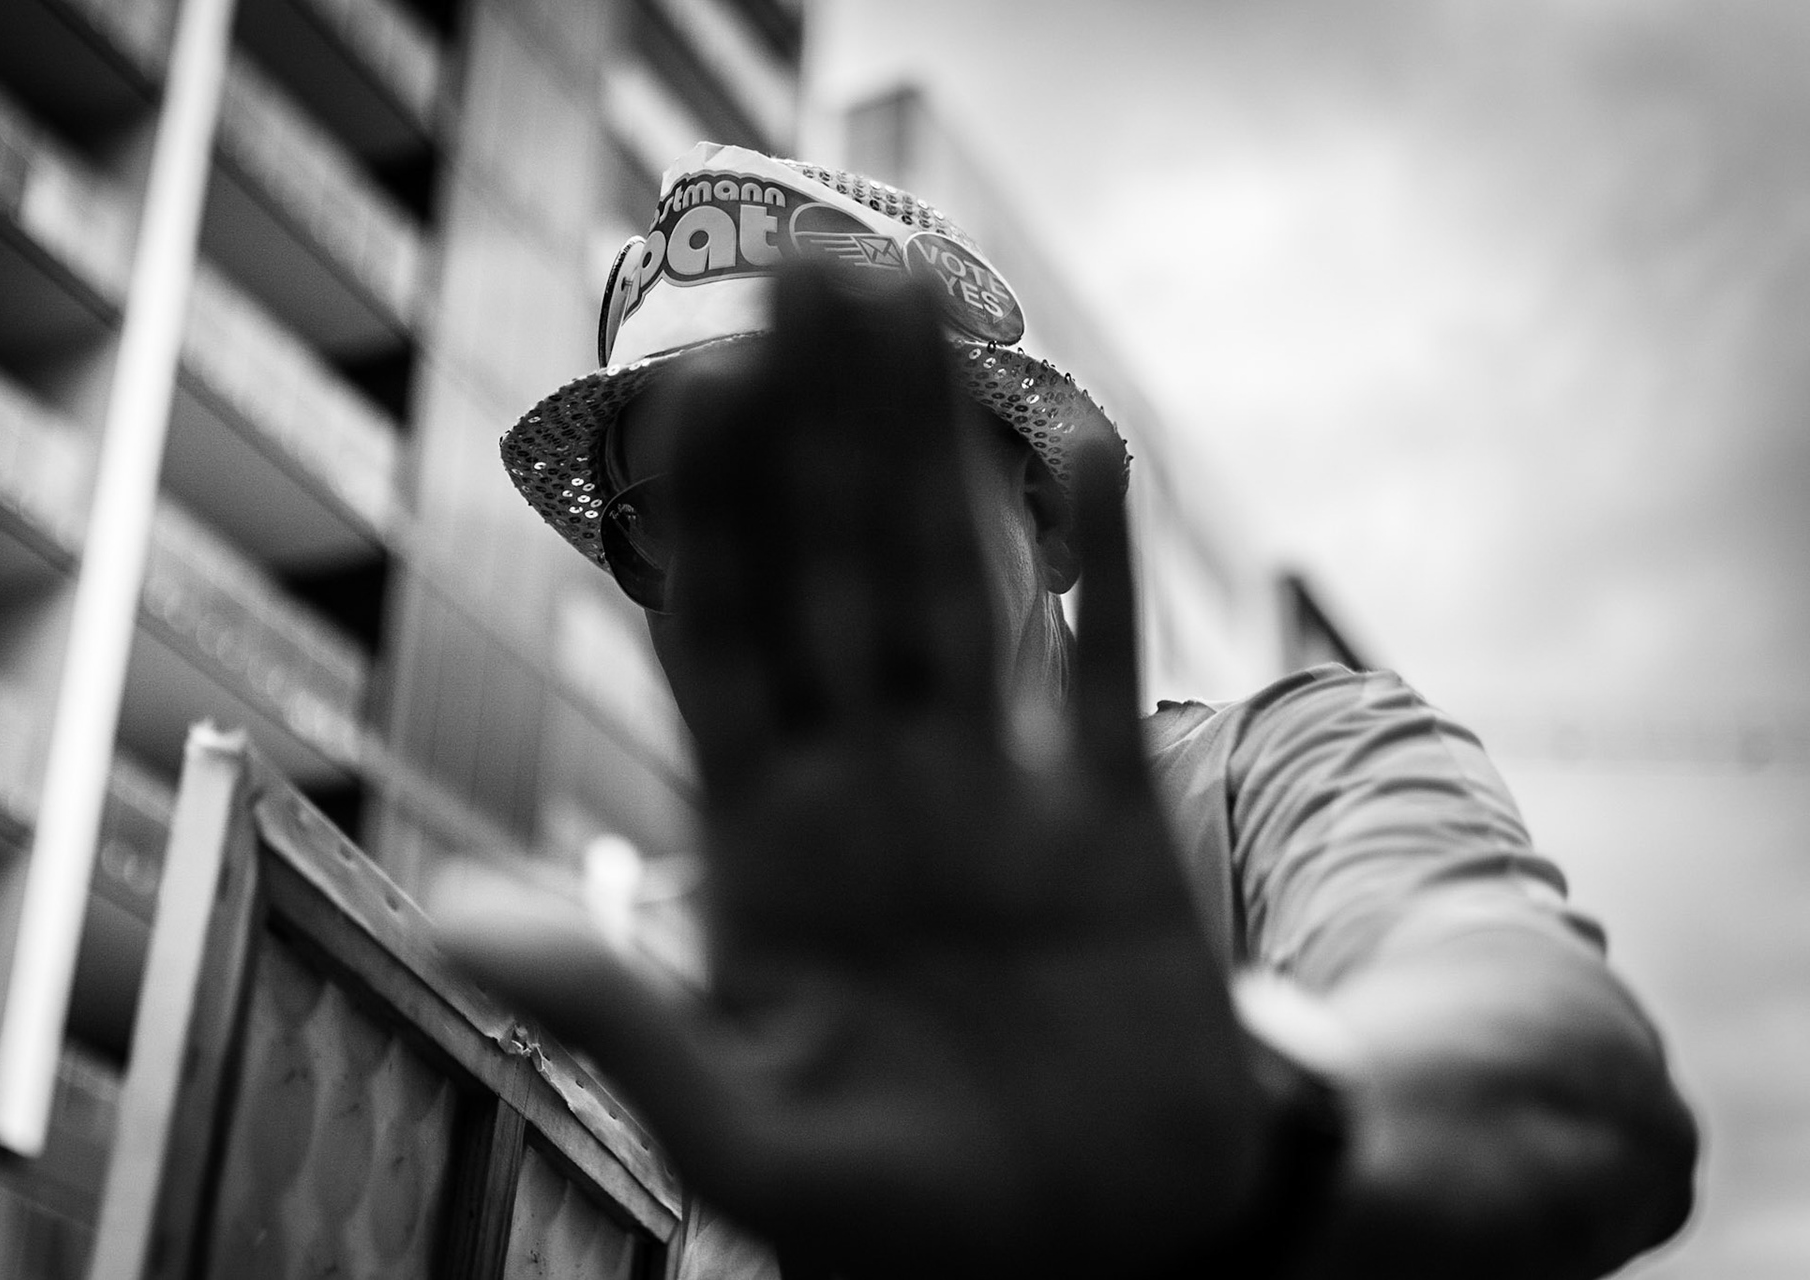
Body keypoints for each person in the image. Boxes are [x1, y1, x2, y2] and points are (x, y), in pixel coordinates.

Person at [435, 143, 1697, 1278]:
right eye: (685, 505)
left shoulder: (1284, 771)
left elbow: (1567, 1077)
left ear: (1044, 512)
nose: (762, 552)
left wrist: (1245, 1166)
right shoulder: (685, 1014)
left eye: (846, 467)